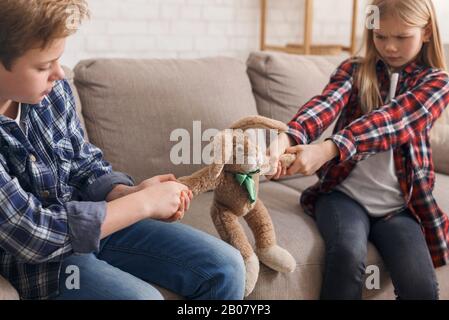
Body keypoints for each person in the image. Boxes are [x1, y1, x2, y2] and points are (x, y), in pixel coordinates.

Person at [0, 0, 245, 300]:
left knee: (227, 267)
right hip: (44, 263)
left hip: (101, 225)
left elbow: (83, 163)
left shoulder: (52, 92)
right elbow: (32, 234)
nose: (60, 74)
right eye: (42, 66)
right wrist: (143, 204)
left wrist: (125, 194)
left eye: (59, 60)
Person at [267, 0, 449, 300]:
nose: (389, 47)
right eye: (380, 36)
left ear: (427, 32)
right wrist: (286, 138)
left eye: (401, 37)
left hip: (399, 207)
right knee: (347, 255)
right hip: (343, 196)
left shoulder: (436, 83)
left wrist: (328, 149)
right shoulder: (353, 69)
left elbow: (393, 122)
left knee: (421, 287)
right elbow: (324, 105)